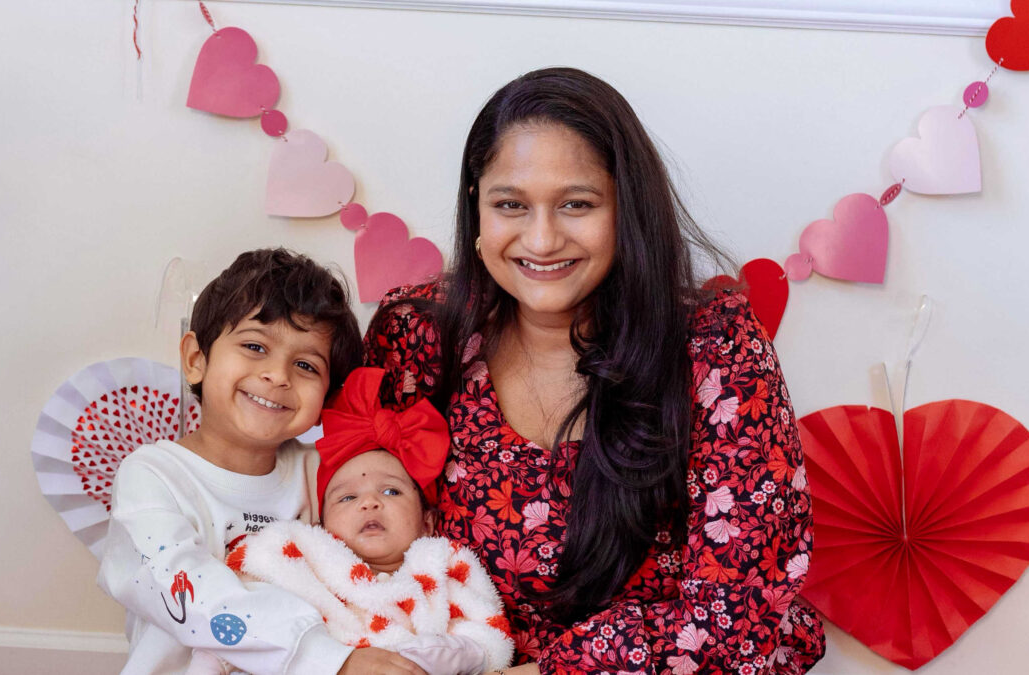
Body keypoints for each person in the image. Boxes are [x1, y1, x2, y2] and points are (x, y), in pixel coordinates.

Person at [364, 67, 826, 673]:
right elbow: (343, 520)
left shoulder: (717, 346)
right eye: (511, 205)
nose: (542, 237)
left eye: (576, 204)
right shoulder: (417, 336)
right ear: (476, 208)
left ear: (625, 210)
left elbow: (739, 609)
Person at [97, 249, 428, 675]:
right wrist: (330, 660)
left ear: (326, 396)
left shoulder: (322, 476)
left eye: (306, 365)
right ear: (196, 360)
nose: (278, 375)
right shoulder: (153, 475)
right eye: (255, 346)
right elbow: (183, 589)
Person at [197, 367, 514, 675]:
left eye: (391, 491)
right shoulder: (302, 558)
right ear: (322, 523)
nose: (370, 502)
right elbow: (242, 616)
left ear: (427, 523)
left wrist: (447, 654)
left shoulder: (441, 568)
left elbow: (487, 635)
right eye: (347, 498)